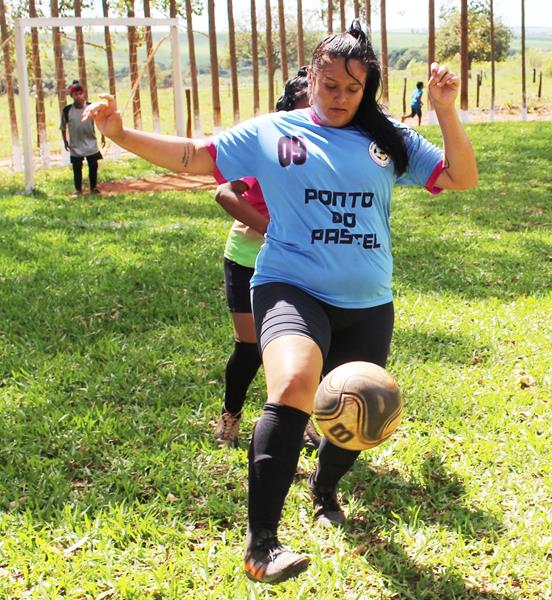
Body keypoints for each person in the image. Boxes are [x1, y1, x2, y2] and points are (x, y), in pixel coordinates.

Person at [82, 20, 477, 585]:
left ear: (366, 91)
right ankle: (261, 545)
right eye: (330, 83)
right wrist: (120, 132)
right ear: (310, 76)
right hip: (289, 283)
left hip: (367, 300)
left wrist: (445, 109)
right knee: (293, 384)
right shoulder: (274, 132)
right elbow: (194, 154)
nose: (339, 97)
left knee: (360, 412)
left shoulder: (388, 141)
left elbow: (461, 177)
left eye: (353, 89)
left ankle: (324, 486)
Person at [213, 68, 321, 453]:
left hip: (299, 262)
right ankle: (231, 415)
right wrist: (273, 227)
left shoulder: (328, 149)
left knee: (306, 346)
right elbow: (225, 193)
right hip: (248, 259)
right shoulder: (268, 144)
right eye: (304, 107)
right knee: (251, 349)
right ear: (287, 110)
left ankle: (299, 421)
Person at [60, 81, 104, 196]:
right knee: (77, 168)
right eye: (76, 94)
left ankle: (93, 188)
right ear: (72, 96)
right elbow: (63, 127)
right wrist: (65, 141)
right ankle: (78, 190)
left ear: (83, 94)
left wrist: (103, 136)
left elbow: (100, 122)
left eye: (80, 93)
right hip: (76, 144)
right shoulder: (67, 110)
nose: (78, 96)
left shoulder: (91, 107)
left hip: (91, 142)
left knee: (93, 166)